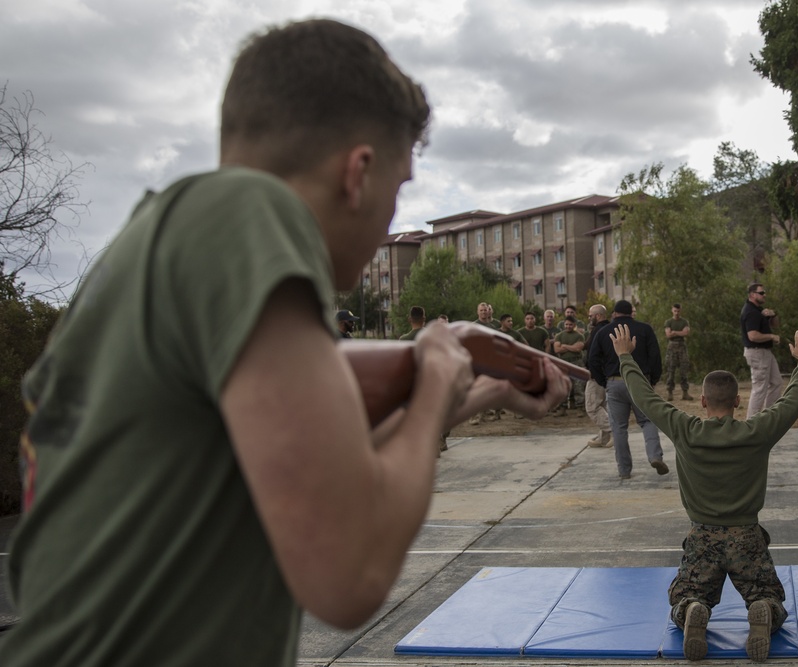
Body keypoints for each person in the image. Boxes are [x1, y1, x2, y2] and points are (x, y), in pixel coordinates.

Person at [0, 19, 571, 667]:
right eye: (400, 184)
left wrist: (483, 390)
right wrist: (438, 372)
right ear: (358, 172)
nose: (391, 213)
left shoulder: (167, 243)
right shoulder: (250, 215)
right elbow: (347, 575)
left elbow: (315, 460)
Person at [610, 323, 798, 663]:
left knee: (684, 598)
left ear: (703, 400)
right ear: (737, 401)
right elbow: (794, 400)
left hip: (702, 538)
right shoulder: (757, 431)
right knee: (770, 599)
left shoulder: (684, 429)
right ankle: (761, 608)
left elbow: (645, 397)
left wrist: (625, 357)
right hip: (747, 537)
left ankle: (693, 609)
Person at [589, 299, 668, 479]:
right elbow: (655, 356)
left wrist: (604, 381)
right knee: (647, 421)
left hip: (614, 382)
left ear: (614, 314)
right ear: (631, 313)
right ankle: (655, 456)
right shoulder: (645, 329)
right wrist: (653, 379)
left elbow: (592, 359)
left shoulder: (603, 332)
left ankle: (624, 470)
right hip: (640, 381)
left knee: (619, 427)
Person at [740, 283, 782, 417]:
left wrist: (773, 314)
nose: (765, 295)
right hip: (757, 352)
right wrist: (771, 336)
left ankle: (768, 416)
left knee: (776, 382)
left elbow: (775, 324)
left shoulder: (759, 310)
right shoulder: (750, 312)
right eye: (761, 293)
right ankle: (752, 422)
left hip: (765, 352)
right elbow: (752, 336)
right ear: (752, 295)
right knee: (759, 388)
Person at [583, 304, 612, 447]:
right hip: (605, 373)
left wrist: (594, 373)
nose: (589, 318)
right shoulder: (609, 329)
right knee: (602, 406)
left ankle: (613, 431)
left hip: (596, 375)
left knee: (592, 407)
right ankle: (604, 438)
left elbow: (593, 356)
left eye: (590, 316)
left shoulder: (598, 330)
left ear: (598, 316)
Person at [553, 316, 586, 415]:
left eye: (570, 324)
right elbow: (557, 350)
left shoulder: (579, 336)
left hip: (577, 362)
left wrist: (565, 346)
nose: (568, 326)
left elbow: (578, 349)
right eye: (566, 324)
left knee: (578, 386)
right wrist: (572, 347)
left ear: (574, 325)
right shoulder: (559, 336)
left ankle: (580, 408)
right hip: (563, 363)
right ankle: (562, 408)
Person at [664, 302, 692, 402]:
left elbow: (686, 332)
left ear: (680, 310)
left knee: (683, 370)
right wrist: (679, 333)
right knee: (671, 370)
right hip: (672, 346)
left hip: (682, 346)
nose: (676, 313)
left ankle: (685, 392)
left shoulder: (684, 322)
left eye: (678, 311)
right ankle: (670, 392)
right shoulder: (669, 322)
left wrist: (675, 332)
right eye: (675, 311)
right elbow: (668, 335)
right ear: (672, 310)